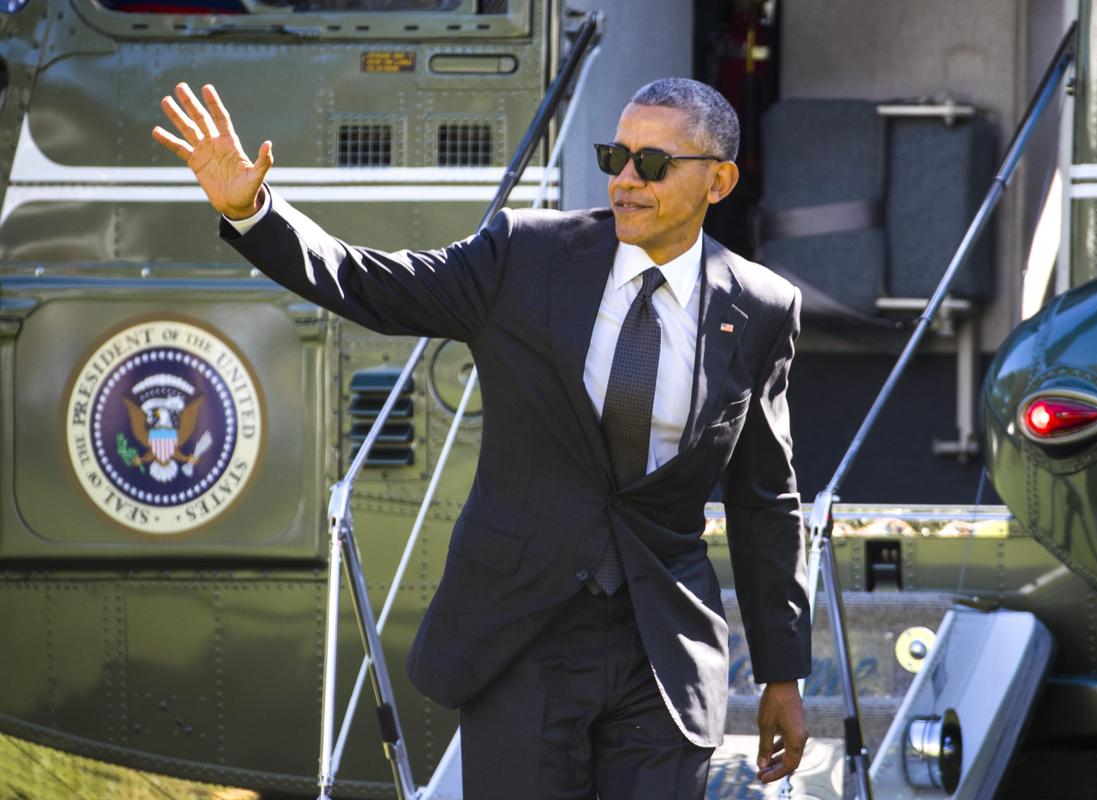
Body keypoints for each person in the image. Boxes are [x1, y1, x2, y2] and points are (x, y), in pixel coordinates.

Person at [153, 76, 811, 799]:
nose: (626, 181)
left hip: (664, 651)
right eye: (614, 157)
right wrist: (254, 213)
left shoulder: (763, 307)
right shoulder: (525, 256)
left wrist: (783, 672)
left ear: (719, 181)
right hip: (524, 636)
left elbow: (764, 499)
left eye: (651, 165)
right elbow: (372, 284)